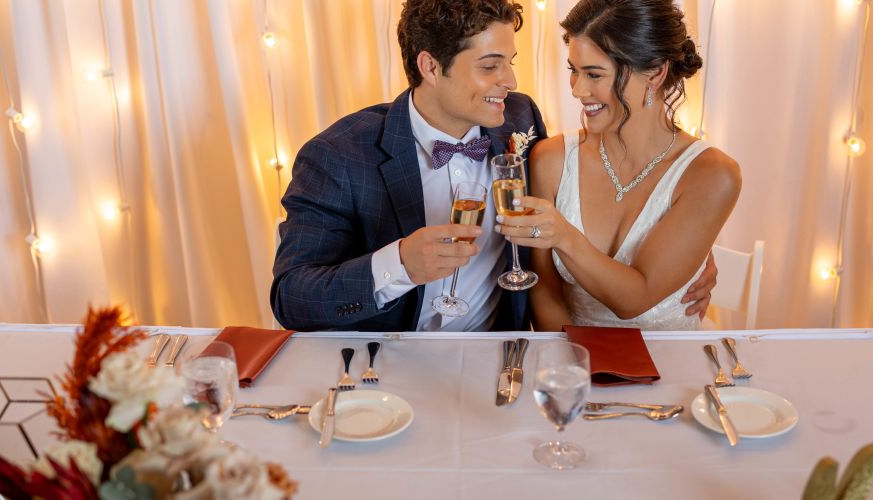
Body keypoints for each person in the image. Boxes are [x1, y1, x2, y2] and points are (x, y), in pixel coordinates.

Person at [271, 0, 715, 332]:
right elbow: (291, 298)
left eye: (511, 63)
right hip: (387, 364)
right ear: (430, 65)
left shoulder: (520, 119)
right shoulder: (340, 155)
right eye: (490, 66)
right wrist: (400, 264)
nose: (511, 81)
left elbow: (593, 192)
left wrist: (688, 254)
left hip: (501, 355)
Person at [496, 0, 741, 331]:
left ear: (655, 73)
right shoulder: (551, 159)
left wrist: (564, 236)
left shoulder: (712, 175)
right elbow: (544, 290)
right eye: (574, 70)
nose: (578, 90)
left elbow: (635, 300)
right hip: (574, 361)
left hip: (672, 364)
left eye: (594, 74)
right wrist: (576, 367)